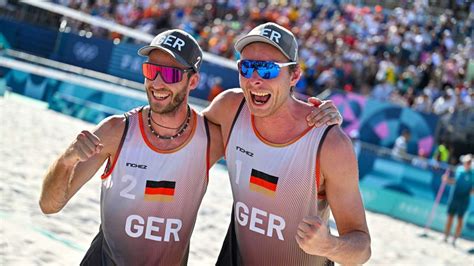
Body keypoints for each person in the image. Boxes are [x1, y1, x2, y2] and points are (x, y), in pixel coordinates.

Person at [39, 29, 342, 265]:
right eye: (151, 71)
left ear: (193, 80)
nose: (157, 82)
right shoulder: (117, 131)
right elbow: (49, 205)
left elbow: (274, 129)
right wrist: (66, 160)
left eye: (169, 74)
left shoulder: (211, 137)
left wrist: (314, 116)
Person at [203, 22, 371, 265]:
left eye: (268, 70)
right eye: (247, 68)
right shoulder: (229, 108)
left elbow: (362, 249)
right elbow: (179, 143)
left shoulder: (329, 144)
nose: (255, 80)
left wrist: (329, 245)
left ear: (294, 76)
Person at [443, 154, 474, 246]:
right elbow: (454, 181)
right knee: (450, 217)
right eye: (466, 162)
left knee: (460, 219)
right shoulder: (459, 169)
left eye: (469, 162)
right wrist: (447, 180)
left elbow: (472, 191)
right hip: (454, 197)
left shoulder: (472, 174)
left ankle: (454, 239)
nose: (467, 163)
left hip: (464, 200)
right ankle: (445, 237)